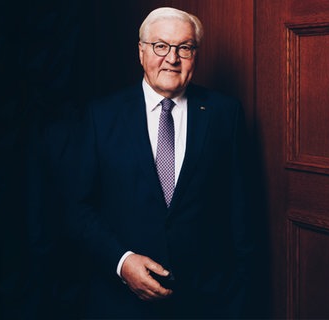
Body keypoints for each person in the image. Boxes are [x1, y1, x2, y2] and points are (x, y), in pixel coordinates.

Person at [61, 7, 257, 319]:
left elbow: (241, 212)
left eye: (185, 47)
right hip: (121, 304)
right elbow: (76, 208)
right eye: (161, 46)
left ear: (195, 54)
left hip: (208, 302)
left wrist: (243, 302)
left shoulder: (225, 113)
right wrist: (122, 262)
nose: (172, 58)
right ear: (141, 52)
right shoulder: (101, 116)